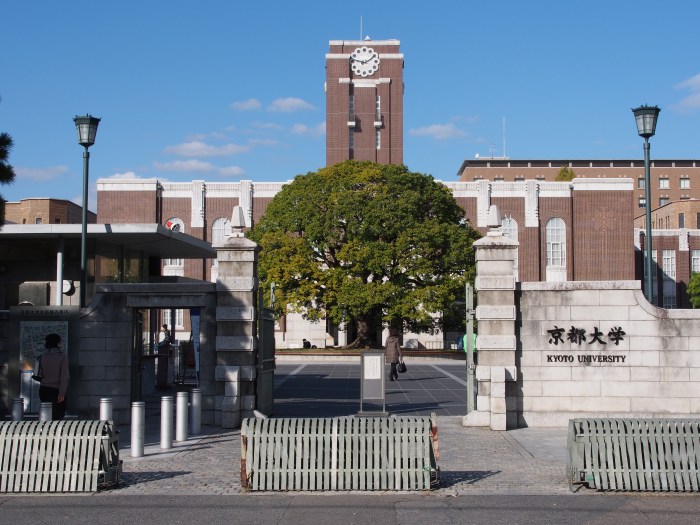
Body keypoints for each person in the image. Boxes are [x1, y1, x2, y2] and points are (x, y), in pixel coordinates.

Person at [38, 333, 69, 420]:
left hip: (43, 389)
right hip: (55, 390)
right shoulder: (62, 356)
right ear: (57, 343)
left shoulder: (42, 357)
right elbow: (64, 376)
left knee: (46, 417)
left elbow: (40, 374)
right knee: (57, 416)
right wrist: (62, 393)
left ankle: (44, 432)